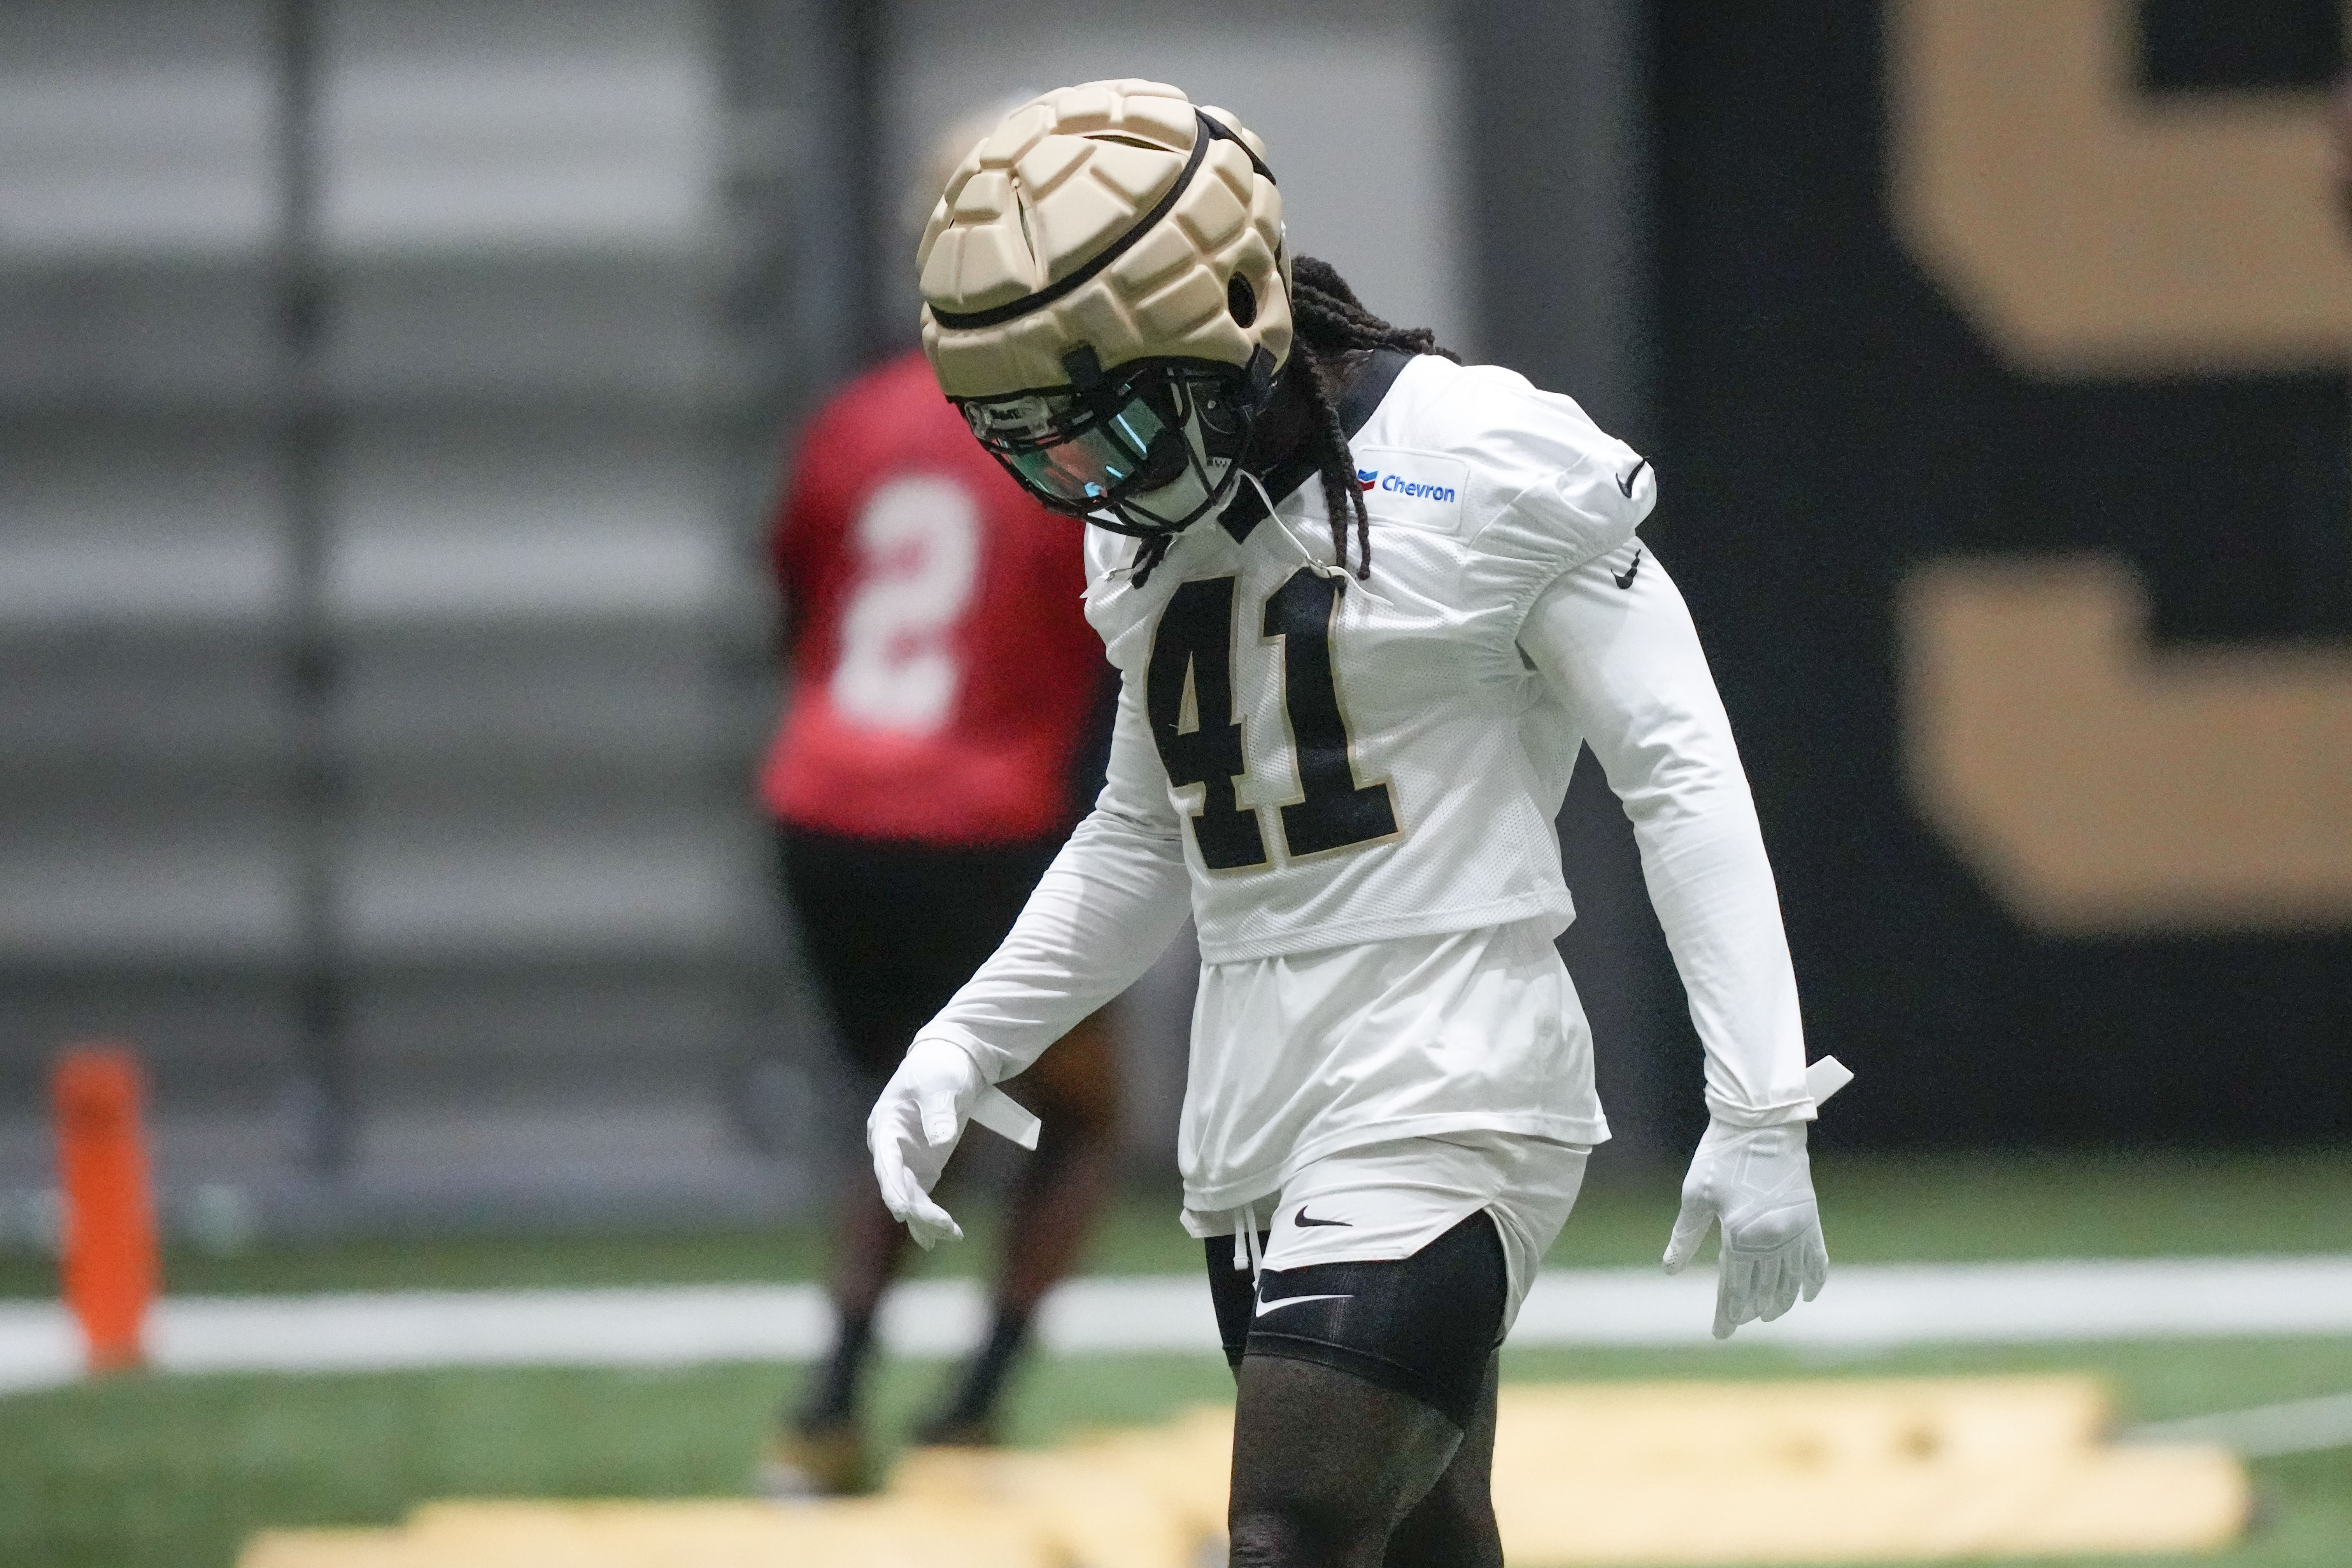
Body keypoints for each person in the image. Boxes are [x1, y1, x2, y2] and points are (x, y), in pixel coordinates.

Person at [870, 80, 1831, 1565]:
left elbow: (1682, 771)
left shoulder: (1489, 460)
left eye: (1117, 417)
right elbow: (1144, 836)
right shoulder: (1143, 540)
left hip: (1450, 1063)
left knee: (1286, 1536)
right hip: (1257, 1090)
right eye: (1046, 438)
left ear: (1237, 312)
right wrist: (967, 1039)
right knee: (1420, 1544)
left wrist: (1761, 1101)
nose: (1090, 476)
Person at [755, 108, 1127, 1496]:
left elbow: (799, 598)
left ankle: (831, 1404)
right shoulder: (1074, 442)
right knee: (1076, 1118)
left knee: (922, 1102)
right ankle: (966, 1407)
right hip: (970, 819)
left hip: (820, 803)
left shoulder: (859, 417)